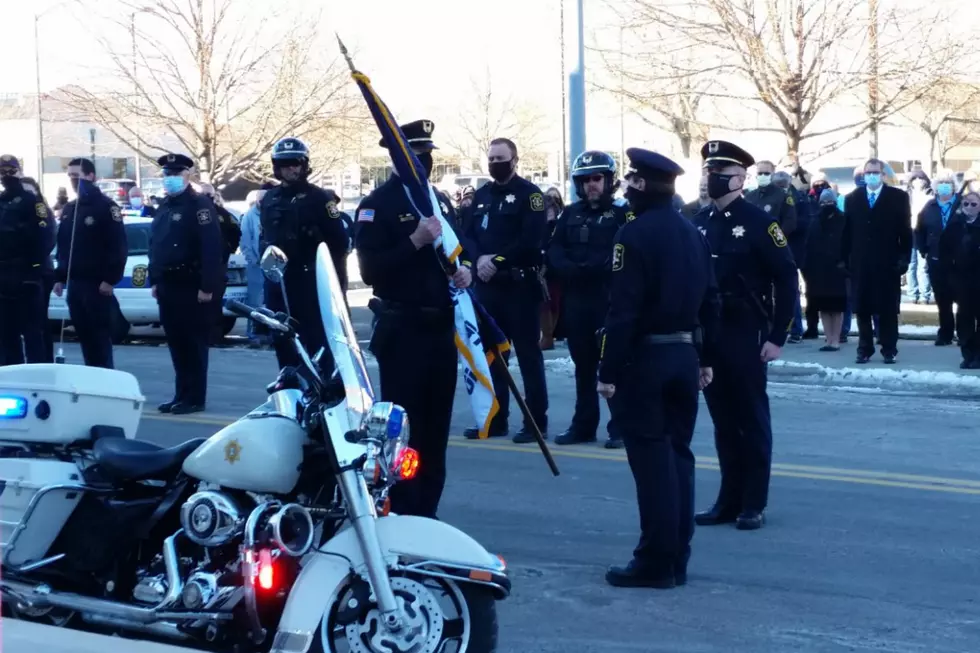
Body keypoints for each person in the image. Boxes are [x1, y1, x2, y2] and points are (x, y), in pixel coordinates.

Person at [598, 147, 720, 588]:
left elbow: (623, 311)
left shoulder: (633, 235)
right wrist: (705, 357)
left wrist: (607, 369)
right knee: (679, 458)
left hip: (646, 359)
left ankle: (655, 560)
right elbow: (711, 302)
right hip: (683, 356)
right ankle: (676, 558)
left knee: (652, 464)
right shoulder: (693, 233)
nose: (626, 189)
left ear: (643, 186)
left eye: (631, 182)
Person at [355, 118, 471, 519]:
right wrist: (413, 241)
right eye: (414, 155)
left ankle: (428, 513)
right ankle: (401, 510)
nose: (423, 162)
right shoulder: (377, 205)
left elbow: (460, 249)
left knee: (435, 433)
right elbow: (371, 271)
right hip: (403, 331)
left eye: (426, 156)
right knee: (403, 433)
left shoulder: (438, 200)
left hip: (439, 328)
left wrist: (465, 269)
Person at [691, 140, 798, 531]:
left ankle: (753, 501)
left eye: (719, 173)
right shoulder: (700, 221)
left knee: (750, 417)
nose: (711, 178)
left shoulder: (758, 222)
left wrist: (777, 335)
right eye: (708, 171)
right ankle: (728, 497)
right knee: (722, 419)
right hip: (712, 331)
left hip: (745, 329)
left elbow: (786, 278)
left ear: (739, 178)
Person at [463, 137, 549, 443]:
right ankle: (496, 419)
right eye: (491, 158)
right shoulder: (482, 195)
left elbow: (531, 240)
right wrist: (479, 260)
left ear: (514, 160)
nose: (495, 163)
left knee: (527, 357)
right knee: (492, 357)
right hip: (488, 289)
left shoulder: (530, 195)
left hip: (519, 287)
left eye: (501, 158)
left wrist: (496, 260)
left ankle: (535, 421)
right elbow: (468, 233)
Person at [547, 150, 631, 449]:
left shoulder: (623, 214)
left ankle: (620, 426)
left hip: (608, 300)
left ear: (609, 180)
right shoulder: (571, 213)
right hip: (577, 301)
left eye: (597, 178)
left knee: (614, 365)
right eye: (585, 180)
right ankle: (583, 425)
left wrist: (598, 267)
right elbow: (554, 249)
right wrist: (567, 267)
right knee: (582, 367)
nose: (591, 185)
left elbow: (627, 252)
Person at [259, 137, 349, 371]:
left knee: (315, 341)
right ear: (277, 167)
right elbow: (265, 240)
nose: (291, 169)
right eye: (285, 164)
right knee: (282, 339)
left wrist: (336, 286)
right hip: (280, 282)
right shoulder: (270, 199)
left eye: (296, 163)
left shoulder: (320, 198)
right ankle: (290, 387)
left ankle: (323, 390)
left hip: (311, 280)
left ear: (305, 165)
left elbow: (340, 243)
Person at [148, 153, 224, 415]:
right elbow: (156, 245)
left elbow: (211, 247)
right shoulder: (165, 206)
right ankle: (181, 394)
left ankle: (194, 397)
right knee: (176, 343)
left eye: (176, 174)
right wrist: (155, 278)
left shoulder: (199, 205)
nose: (170, 179)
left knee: (193, 344)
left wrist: (207, 285)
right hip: (168, 284)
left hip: (191, 284)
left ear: (188, 176)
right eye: (167, 174)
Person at [52, 158, 127, 368]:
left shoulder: (105, 207)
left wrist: (110, 279)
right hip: (74, 284)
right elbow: (64, 246)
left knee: (99, 338)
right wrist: (59, 276)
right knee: (84, 336)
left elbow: (118, 246)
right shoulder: (70, 208)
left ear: (90, 176)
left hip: (96, 285)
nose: (73, 181)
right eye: (70, 177)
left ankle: (106, 381)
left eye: (77, 176)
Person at [842, 158, 912, 364]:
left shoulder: (898, 197)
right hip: (861, 262)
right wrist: (843, 259)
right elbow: (847, 232)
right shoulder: (853, 198)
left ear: (883, 175)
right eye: (868, 173)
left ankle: (889, 347)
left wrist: (903, 257)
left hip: (887, 261)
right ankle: (864, 348)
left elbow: (905, 231)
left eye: (875, 172)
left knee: (887, 307)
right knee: (862, 307)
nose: (871, 176)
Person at [0, 154, 56, 366]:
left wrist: (33, 270)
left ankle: (37, 378)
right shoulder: (1, 202)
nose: (7, 176)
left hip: (26, 277)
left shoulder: (33, 202)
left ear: (19, 171)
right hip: (4, 277)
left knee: (33, 334)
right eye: (3, 172)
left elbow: (45, 238)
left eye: (11, 171)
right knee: (6, 336)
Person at [913, 171, 958, 346]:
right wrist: (923, 250)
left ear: (953, 186)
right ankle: (945, 332)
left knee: (963, 299)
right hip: (936, 259)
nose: (944, 187)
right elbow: (919, 230)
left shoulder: (961, 205)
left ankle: (964, 333)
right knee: (942, 298)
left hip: (959, 260)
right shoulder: (929, 207)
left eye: (948, 183)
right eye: (941, 183)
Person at [803, 188, 849, 352]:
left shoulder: (843, 220)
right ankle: (828, 338)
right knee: (822, 305)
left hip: (837, 268)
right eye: (823, 202)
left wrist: (845, 264)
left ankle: (835, 339)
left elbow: (848, 244)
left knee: (836, 307)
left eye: (829, 202)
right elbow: (808, 244)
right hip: (818, 270)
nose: (826, 205)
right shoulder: (814, 220)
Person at [20, 176, 57, 362]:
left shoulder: (43, 213)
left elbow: (47, 242)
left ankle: (43, 362)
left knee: (37, 324)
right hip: (17, 274)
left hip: (39, 273)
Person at [945, 191, 980, 368]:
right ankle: (967, 354)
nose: (969, 208)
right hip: (961, 279)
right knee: (964, 318)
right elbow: (944, 249)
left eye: (974, 204)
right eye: (966, 204)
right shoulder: (955, 225)